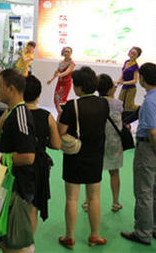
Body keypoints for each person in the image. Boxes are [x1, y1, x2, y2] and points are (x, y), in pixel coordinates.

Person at [0, 69, 36, 253]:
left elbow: (28, 156)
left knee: (12, 241)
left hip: (16, 185)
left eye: (1, 87)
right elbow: (14, 145)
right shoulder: (12, 112)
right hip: (6, 181)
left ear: (11, 89)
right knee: (2, 237)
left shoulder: (20, 115)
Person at [121, 63, 156, 246]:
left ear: (143, 79)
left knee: (144, 192)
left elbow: (152, 131)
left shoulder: (149, 102)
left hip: (148, 149)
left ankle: (143, 233)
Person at [57, 66, 108, 249]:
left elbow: (61, 131)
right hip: (96, 155)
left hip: (75, 156)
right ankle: (95, 235)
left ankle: (69, 237)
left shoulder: (72, 105)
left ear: (78, 86)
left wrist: (60, 116)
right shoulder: (103, 104)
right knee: (94, 198)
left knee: (72, 198)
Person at [24, 75, 61, 234]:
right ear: (38, 95)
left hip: (17, 164)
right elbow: (56, 144)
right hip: (38, 167)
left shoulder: (11, 113)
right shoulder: (47, 116)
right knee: (33, 207)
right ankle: (29, 243)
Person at [94, 73, 124, 213]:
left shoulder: (94, 103)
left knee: (94, 173)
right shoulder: (118, 104)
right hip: (114, 142)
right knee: (114, 172)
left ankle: (89, 201)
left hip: (97, 141)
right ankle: (115, 202)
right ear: (111, 88)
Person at [47, 47, 75, 113]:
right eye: (65, 51)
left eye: (68, 52)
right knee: (56, 99)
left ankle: (63, 114)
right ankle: (59, 113)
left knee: (62, 100)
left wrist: (59, 75)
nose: (66, 53)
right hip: (59, 83)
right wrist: (51, 79)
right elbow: (57, 71)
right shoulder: (61, 62)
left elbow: (66, 72)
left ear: (71, 53)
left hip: (66, 83)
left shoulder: (72, 63)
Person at [117, 46, 142, 112]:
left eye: (134, 54)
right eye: (131, 53)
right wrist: (120, 80)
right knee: (120, 103)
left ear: (137, 56)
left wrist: (124, 82)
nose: (132, 55)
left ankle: (141, 109)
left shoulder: (135, 66)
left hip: (131, 88)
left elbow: (135, 81)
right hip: (124, 86)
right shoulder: (126, 62)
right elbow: (123, 73)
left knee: (128, 106)